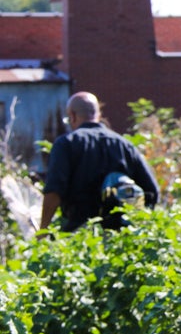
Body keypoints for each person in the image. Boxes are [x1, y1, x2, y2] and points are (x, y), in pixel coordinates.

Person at [40, 91, 159, 232]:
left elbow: (54, 191)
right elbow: (151, 191)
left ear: (72, 116)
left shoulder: (66, 144)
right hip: (120, 237)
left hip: (80, 235)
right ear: (99, 114)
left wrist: (42, 232)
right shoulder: (124, 145)